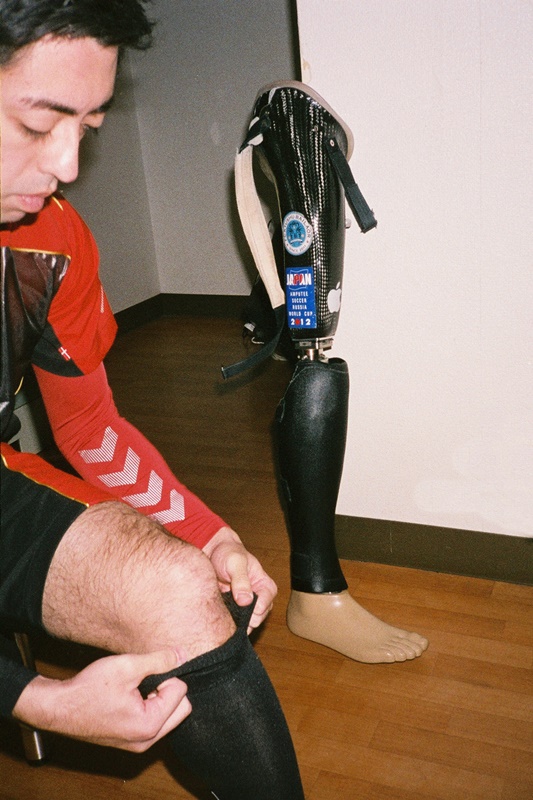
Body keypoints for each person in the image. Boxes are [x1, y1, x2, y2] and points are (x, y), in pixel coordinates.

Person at [0, 2, 305, 797]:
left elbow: (88, 425)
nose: (68, 165)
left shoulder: (52, 241)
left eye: (88, 125)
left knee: (181, 588)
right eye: (37, 124)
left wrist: (212, 537)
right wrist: (32, 698)